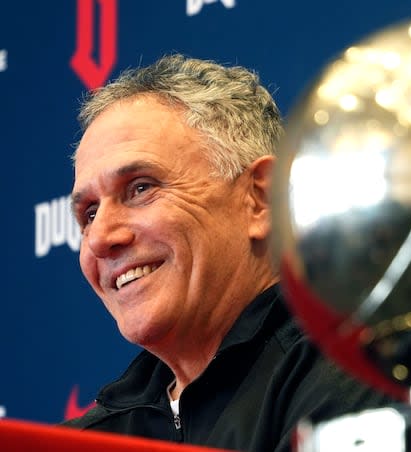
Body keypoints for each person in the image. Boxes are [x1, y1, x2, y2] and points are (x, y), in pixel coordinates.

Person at [63, 54, 391, 451]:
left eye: (141, 188)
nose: (100, 238)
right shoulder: (89, 438)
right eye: (89, 213)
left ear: (260, 199)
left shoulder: (359, 371)